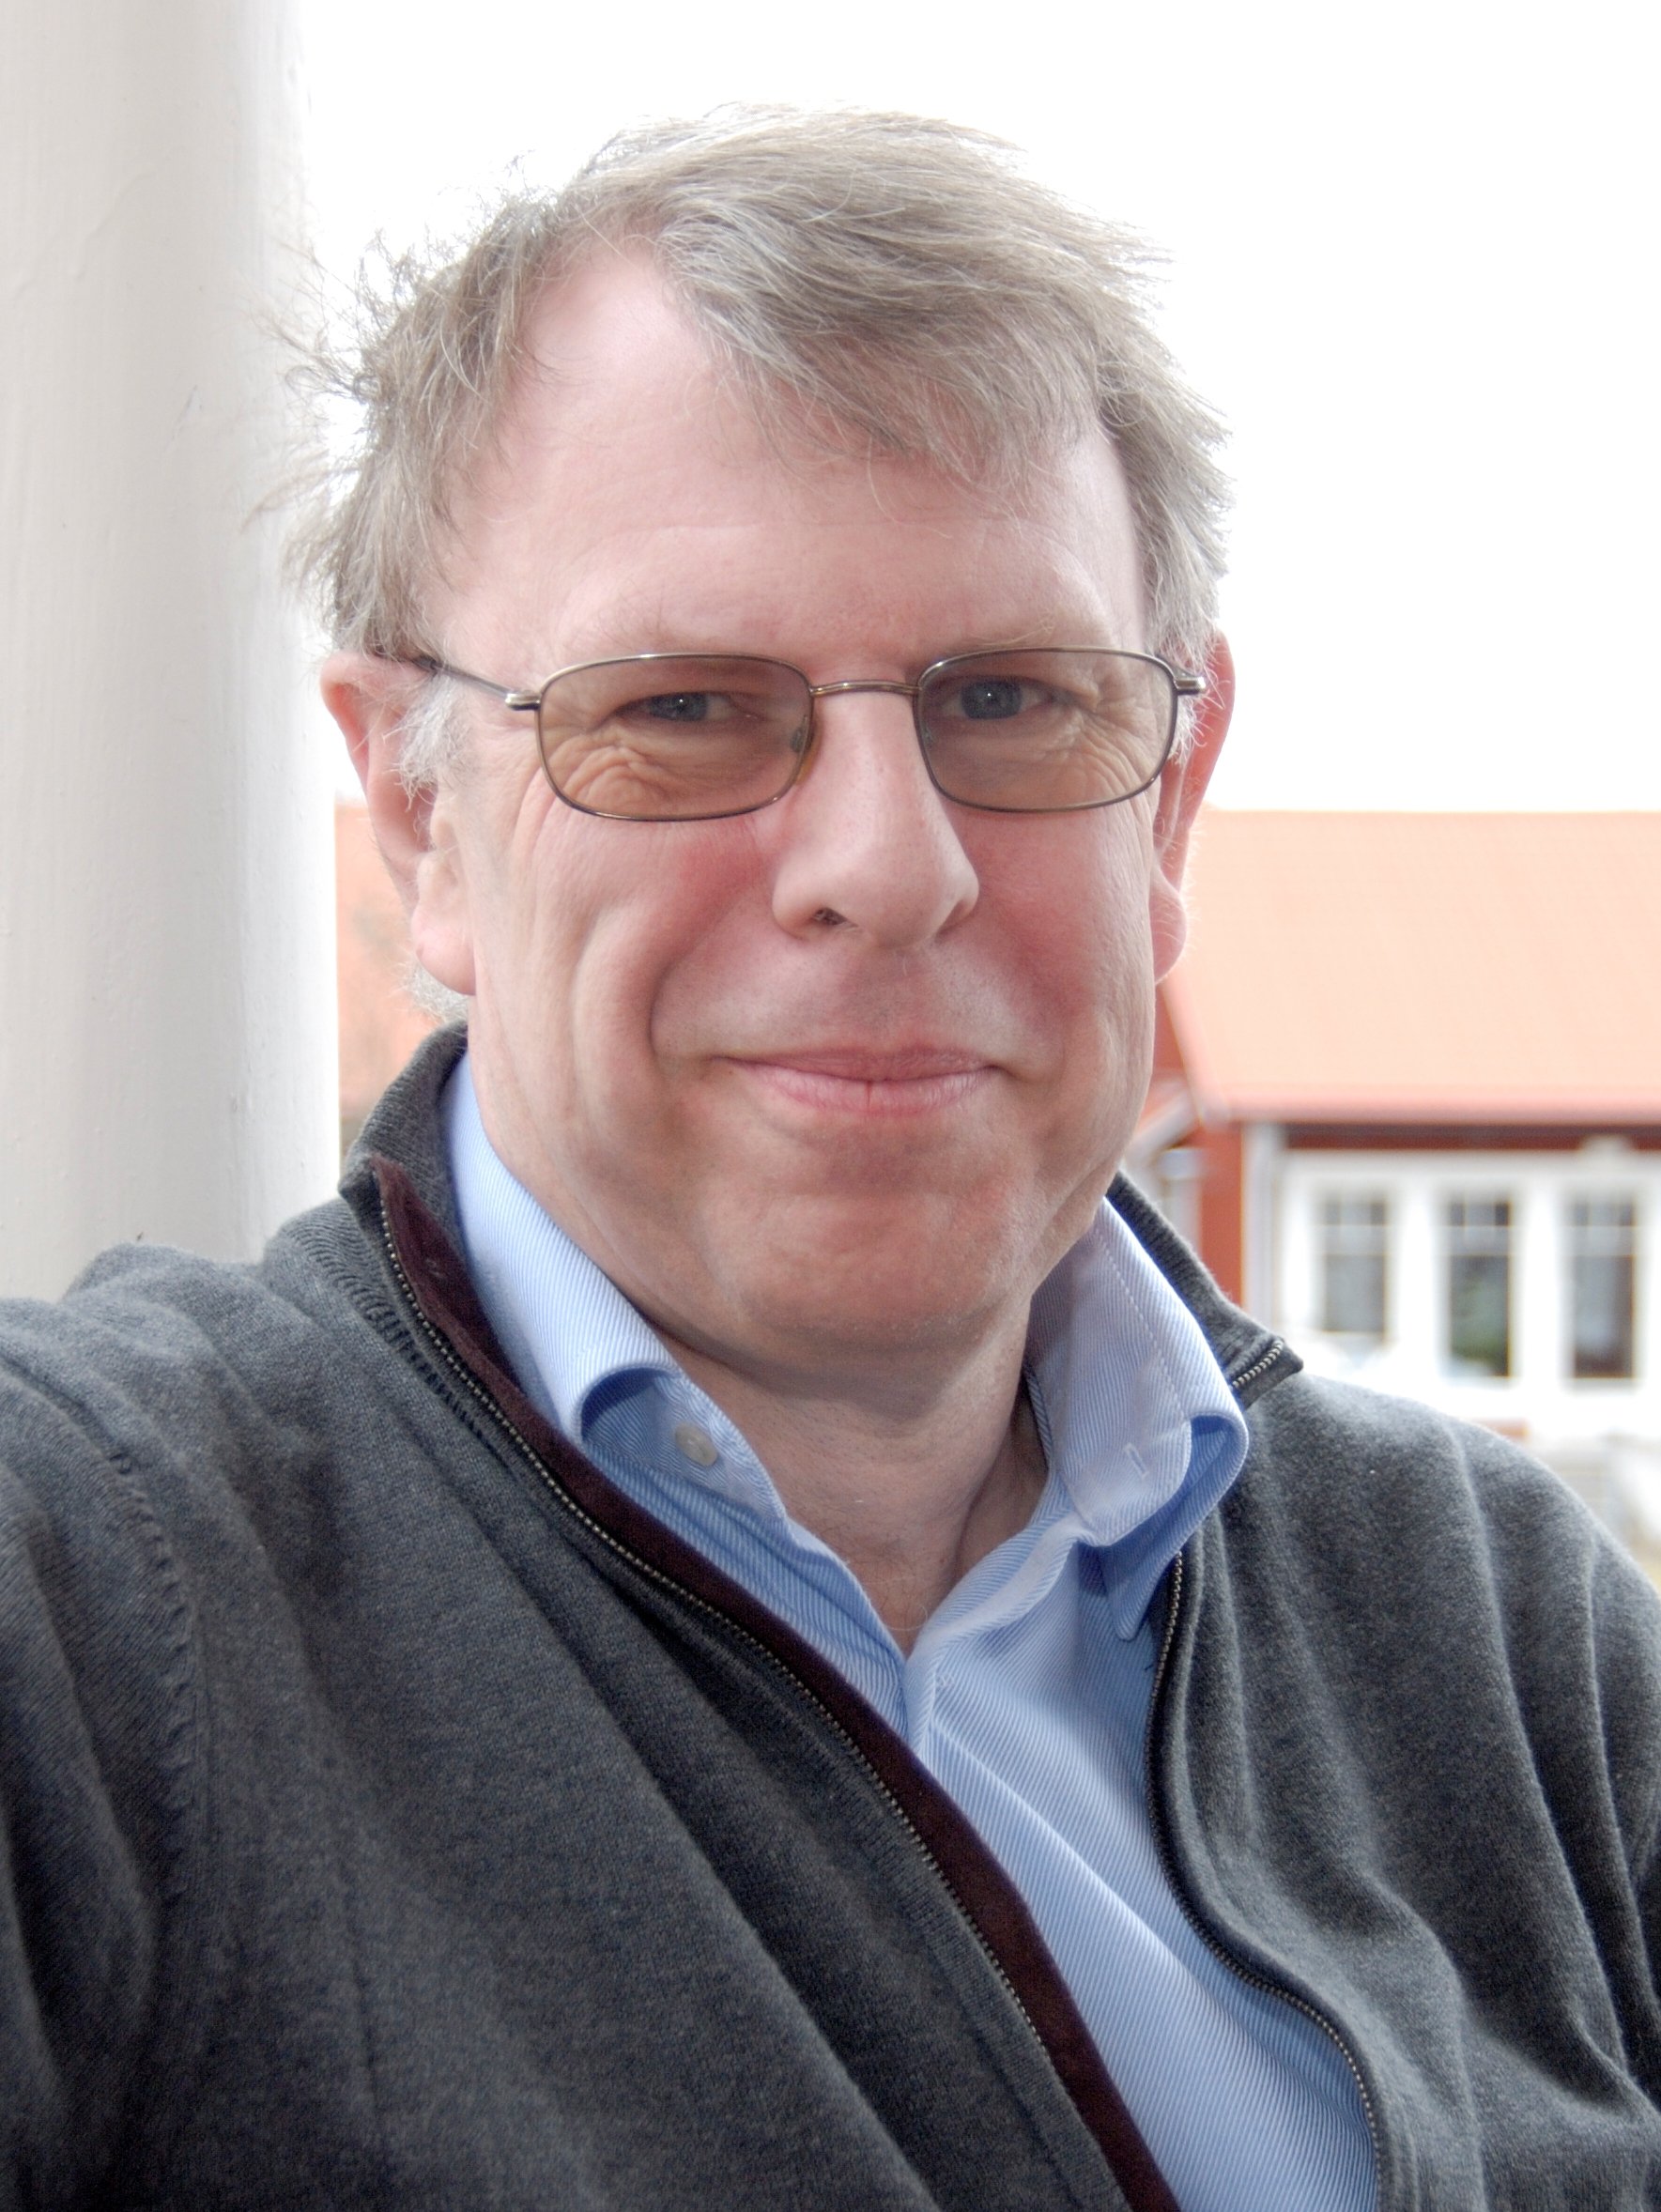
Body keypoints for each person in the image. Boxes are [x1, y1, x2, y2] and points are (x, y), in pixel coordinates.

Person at [3, 109, 1659, 2212]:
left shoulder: (1503, 1640)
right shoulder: (92, 1605)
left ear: (1171, 799)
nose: (888, 865)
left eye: (1013, 700)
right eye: (685, 708)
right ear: (420, 814)